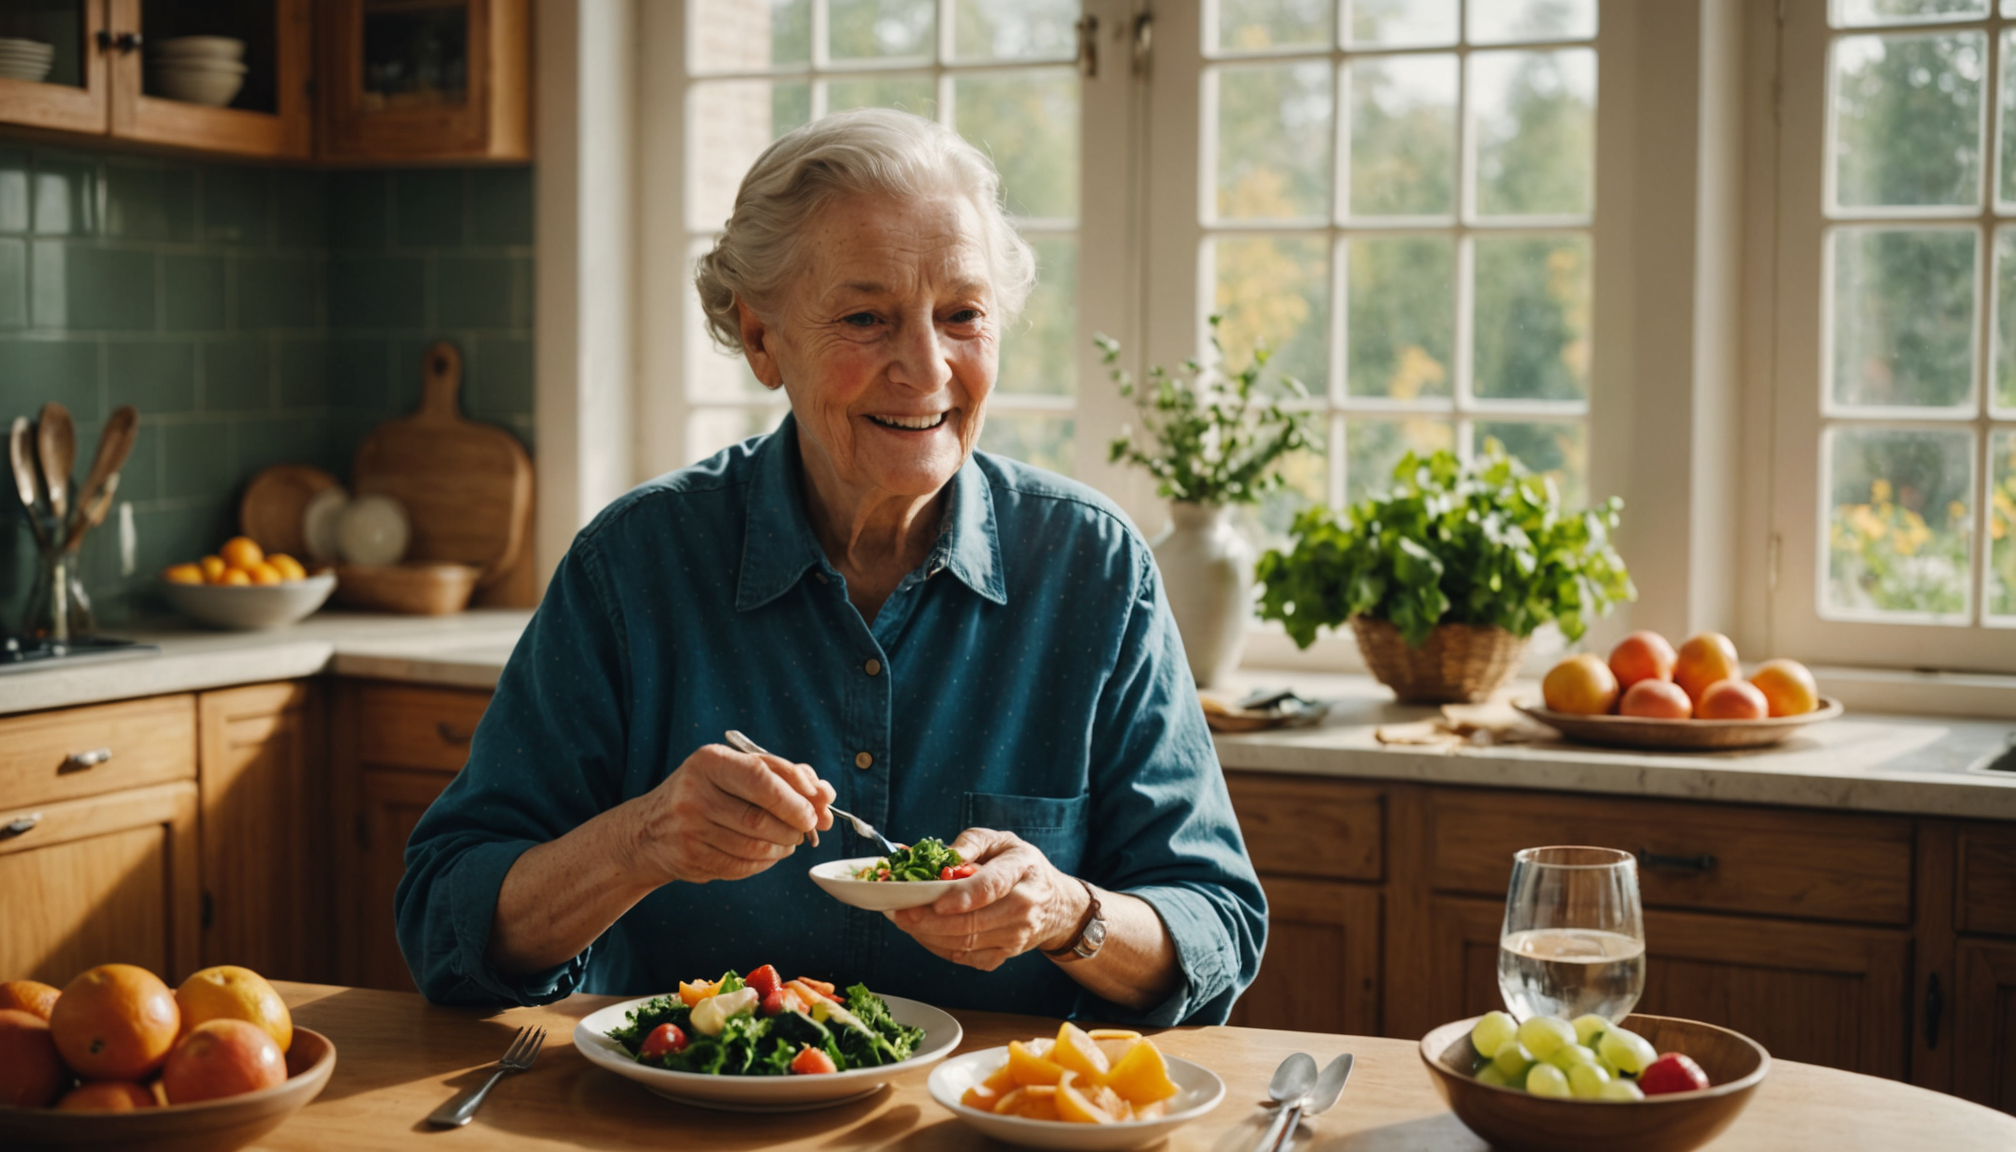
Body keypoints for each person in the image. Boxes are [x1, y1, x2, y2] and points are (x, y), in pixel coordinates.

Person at [395, 107, 1266, 1025]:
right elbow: (444, 923)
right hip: (689, 1122)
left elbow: (1215, 924)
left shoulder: (1093, 568)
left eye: (963, 315)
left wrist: (1067, 912)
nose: (927, 369)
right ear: (763, 339)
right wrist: (643, 841)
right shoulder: (632, 567)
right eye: (866, 317)